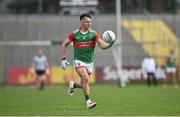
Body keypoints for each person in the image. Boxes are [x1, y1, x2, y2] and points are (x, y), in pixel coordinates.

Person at [60, 13, 115, 109]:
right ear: (81, 22)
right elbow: (64, 44)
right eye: (87, 22)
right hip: (78, 60)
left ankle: (73, 85)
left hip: (89, 62)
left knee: (83, 84)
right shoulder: (74, 34)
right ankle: (88, 102)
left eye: (90, 22)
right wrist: (63, 59)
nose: (89, 23)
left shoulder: (94, 34)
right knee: (85, 78)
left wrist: (110, 44)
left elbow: (102, 45)